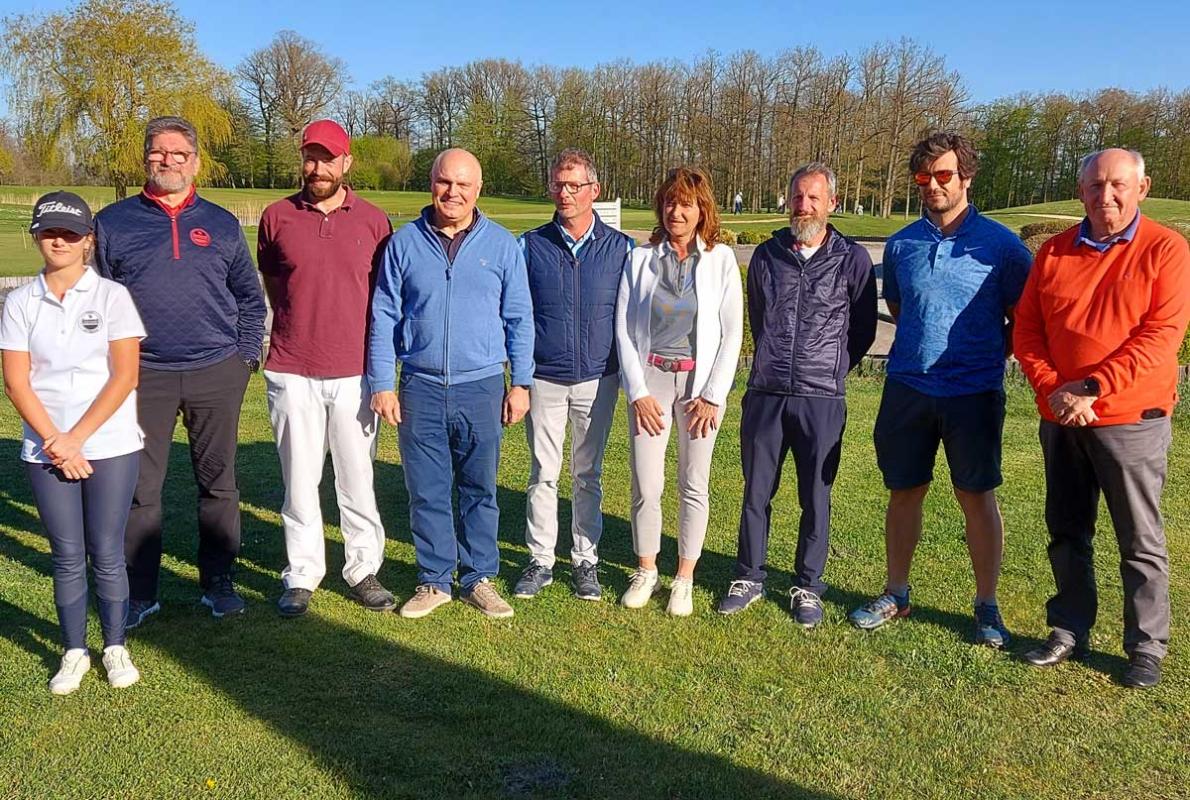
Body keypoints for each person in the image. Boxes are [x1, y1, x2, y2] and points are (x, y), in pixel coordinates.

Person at [848, 132, 1032, 648]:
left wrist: (986, 357)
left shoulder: (1001, 247)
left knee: (976, 495)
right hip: (908, 386)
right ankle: (896, 592)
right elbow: (902, 309)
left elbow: (1024, 320)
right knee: (904, 490)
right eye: (923, 178)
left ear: (967, 177)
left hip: (972, 393)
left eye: (943, 175)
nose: (932, 186)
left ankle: (987, 606)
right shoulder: (903, 243)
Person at [1014, 148, 1190, 688]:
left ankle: (1145, 645)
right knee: (1066, 530)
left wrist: (1091, 386)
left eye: (1116, 185)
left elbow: (1160, 337)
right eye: (1094, 186)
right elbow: (1027, 331)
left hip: (1131, 418)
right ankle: (1069, 626)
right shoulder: (1055, 253)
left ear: (1142, 187)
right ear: (1081, 191)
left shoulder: (1166, 249)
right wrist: (1054, 390)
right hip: (1063, 417)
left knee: (1138, 538)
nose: (1105, 196)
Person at [96, 116, 266, 625]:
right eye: (157, 152)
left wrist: (245, 358)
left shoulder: (220, 223)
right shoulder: (114, 223)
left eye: (178, 153)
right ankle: (141, 590)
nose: (167, 161)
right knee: (140, 489)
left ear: (194, 161)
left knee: (219, 483)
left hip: (217, 370)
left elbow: (250, 301)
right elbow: (97, 301)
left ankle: (218, 581)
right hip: (141, 375)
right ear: (145, 156)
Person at [368, 148, 534, 620]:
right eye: (445, 182)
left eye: (463, 184)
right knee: (428, 489)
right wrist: (383, 381)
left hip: (481, 385)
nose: (453, 192)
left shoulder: (502, 245)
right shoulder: (404, 244)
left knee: (480, 487)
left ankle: (479, 576)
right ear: (432, 183)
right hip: (419, 385)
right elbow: (383, 316)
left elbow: (519, 317)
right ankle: (434, 579)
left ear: (478, 189)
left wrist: (520, 382)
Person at [718, 163, 877, 625]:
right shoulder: (767, 256)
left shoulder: (852, 259)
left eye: (813, 198)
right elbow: (759, 317)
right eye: (797, 197)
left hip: (821, 396)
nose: (803, 206)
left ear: (832, 204)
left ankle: (808, 585)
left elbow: (863, 328)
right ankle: (749, 574)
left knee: (816, 494)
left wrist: (830, 368)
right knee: (756, 491)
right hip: (766, 392)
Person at [1, 192, 145, 694]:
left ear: (88, 241)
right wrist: (56, 442)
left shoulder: (112, 298)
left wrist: (77, 439)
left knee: (106, 550)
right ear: (37, 237)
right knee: (66, 553)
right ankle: (74, 651)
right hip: (46, 448)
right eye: (48, 232)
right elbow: (17, 382)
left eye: (69, 233)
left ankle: (115, 645)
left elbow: (125, 376)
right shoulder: (20, 302)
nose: (57, 241)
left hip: (110, 443)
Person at [257, 120, 394, 617]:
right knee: (299, 479)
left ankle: (363, 569)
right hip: (293, 367)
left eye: (327, 159)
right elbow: (276, 287)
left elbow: (384, 300)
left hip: (355, 371)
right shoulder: (276, 217)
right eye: (310, 158)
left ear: (346, 163)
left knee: (357, 478)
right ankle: (302, 572)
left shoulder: (374, 221)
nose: (317, 168)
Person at [615, 166, 743, 616]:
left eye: (686, 203)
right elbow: (625, 331)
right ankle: (646, 568)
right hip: (650, 382)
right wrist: (637, 393)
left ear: (702, 209)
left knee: (693, 483)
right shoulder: (639, 259)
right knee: (646, 484)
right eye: (670, 202)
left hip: (697, 390)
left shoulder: (721, 260)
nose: (676, 211)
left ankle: (683, 577)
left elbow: (732, 334)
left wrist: (713, 394)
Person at [513, 148, 633, 602]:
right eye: (558, 185)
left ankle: (585, 559)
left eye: (574, 186)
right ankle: (541, 559)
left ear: (594, 191)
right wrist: (520, 376)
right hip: (545, 376)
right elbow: (518, 316)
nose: (565, 194)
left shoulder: (621, 249)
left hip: (599, 378)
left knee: (588, 473)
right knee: (543, 472)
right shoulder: (530, 245)